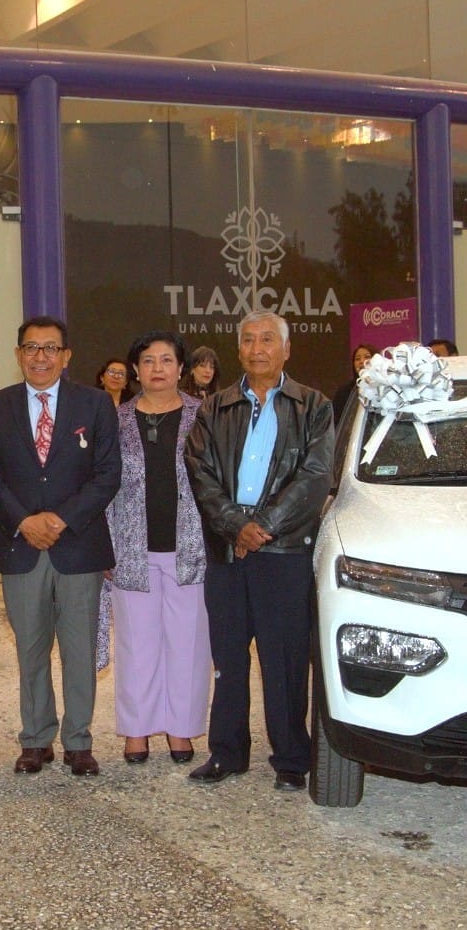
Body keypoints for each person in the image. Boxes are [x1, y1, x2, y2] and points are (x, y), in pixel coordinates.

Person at [183, 310, 336, 792]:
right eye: (248, 340)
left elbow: (316, 476)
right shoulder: (215, 408)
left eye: (267, 339)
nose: (257, 348)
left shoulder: (314, 406)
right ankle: (227, 753)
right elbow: (200, 471)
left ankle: (290, 757)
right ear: (239, 350)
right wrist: (236, 526)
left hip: (284, 550)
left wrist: (263, 526)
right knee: (228, 657)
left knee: (285, 659)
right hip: (228, 550)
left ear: (287, 349)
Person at [0, 316, 120, 777]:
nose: (41, 357)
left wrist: (60, 519)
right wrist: (23, 520)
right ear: (19, 354)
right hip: (19, 546)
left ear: (66, 355)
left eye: (50, 348)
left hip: (77, 544)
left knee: (79, 650)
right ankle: (36, 739)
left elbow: (107, 475)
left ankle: (79, 741)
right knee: (31, 650)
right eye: (32, 348)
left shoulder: (95, 404)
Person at [105, 330, 209, 766]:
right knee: (136, 644)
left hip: (191, 547)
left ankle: (181, 729)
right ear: (135, 369)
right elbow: (102, 483)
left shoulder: (204, 415)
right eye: (148, 361)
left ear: (181, 368)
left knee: (188, 644)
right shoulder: (115, 419)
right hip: (131, 549)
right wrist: (104, 544)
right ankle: (137, 730)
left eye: (167, 360)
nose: (158, 368)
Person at [332, 343, 379, 415]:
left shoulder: (385, 387)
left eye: (367, 357)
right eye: (357, 359)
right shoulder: (344, 391)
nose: (362, 361)